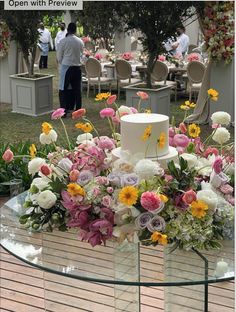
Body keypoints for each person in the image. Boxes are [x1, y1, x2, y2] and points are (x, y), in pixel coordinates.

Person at [57, 22, 84, 116]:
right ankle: (78, 109)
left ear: (67, 30)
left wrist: (63, 62)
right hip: (77, 68)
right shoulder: (80, 41)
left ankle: (63, 111)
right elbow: (82, 55)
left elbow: (59, 57)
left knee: (63, 89)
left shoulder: (63, 41)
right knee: (77, 90)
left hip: (67, 67)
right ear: (75, 30)